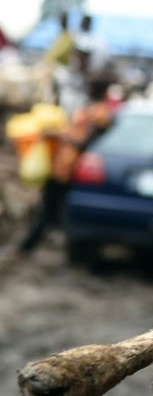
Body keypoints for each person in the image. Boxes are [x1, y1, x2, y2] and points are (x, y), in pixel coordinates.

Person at [7, 77, 114, 259]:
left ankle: (28, 246)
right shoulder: (91, 109)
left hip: (71, 169)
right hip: (62, 166)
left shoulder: (99, 113)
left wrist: (61, 137)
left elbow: (85, 142)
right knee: (53, 208)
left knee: (50, 208)